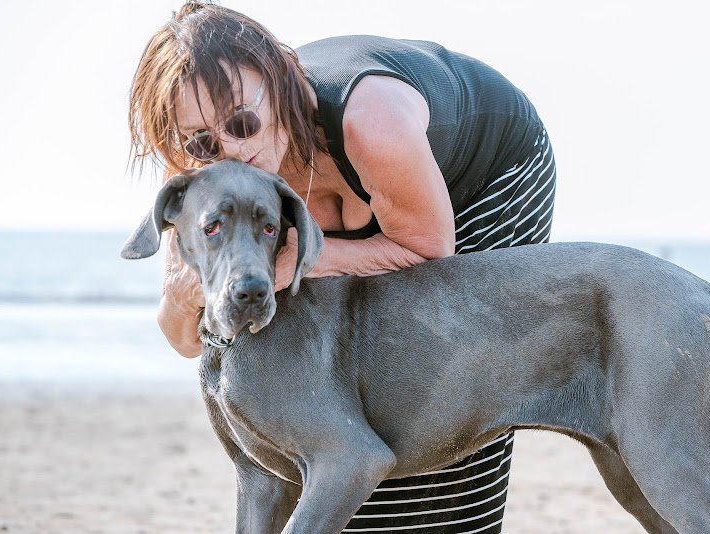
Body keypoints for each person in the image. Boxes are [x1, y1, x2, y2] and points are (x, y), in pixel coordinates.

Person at [129, 2, 556, 532]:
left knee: (438, 400)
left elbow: (427, 247)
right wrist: (180, 293)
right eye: (203, 140)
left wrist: (295, 261)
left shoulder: (369, 118)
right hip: (386, 213)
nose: (232, 151)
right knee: (341, 437)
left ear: (281, 71)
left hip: (482, 178)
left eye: (242, 122)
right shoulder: (211, 186)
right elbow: (190, 341)